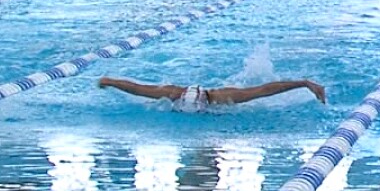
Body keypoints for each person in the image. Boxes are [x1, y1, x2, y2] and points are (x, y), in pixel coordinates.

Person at [98, 76, 326, 112]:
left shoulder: (222, 97)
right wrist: (109, 81)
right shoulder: (171, 94)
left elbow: (264, 90)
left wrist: (304, 83)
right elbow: (136, 88)